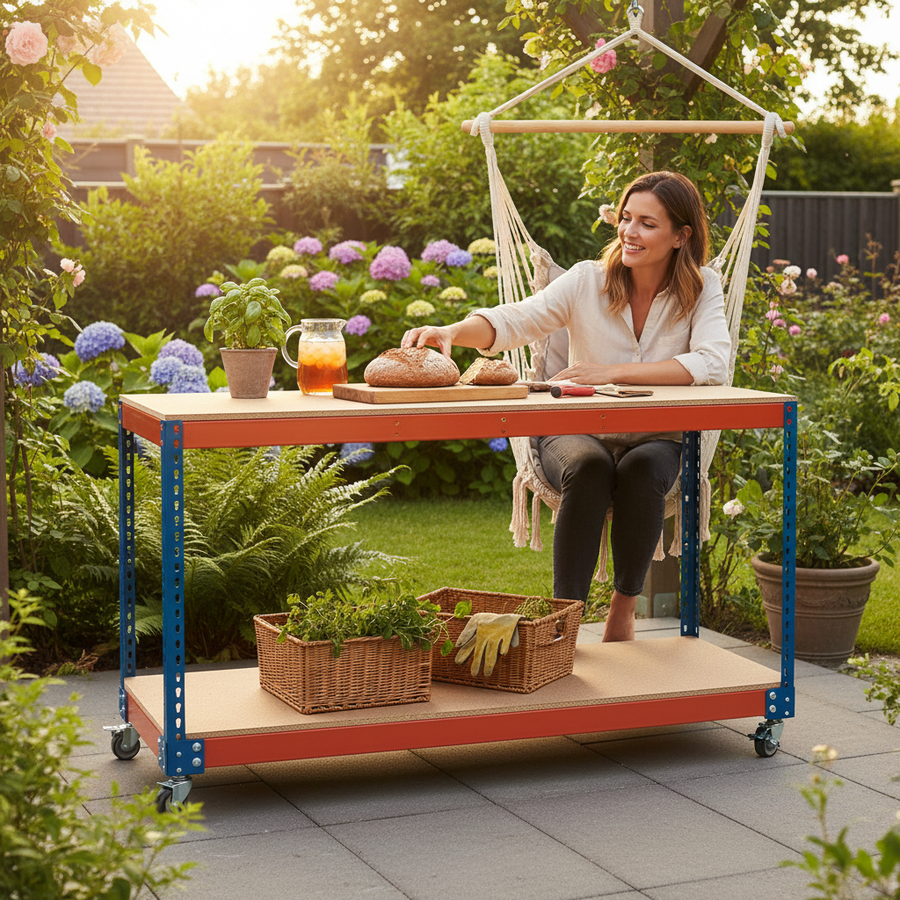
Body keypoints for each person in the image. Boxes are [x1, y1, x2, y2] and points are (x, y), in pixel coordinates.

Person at [401, 171, 731, 641]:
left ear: (681, 236)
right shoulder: (587, 281)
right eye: (625, 219)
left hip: (659, 435)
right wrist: (453, 331)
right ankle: (566, 620)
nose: (629, 232)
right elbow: (517, 318)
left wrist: (610, 372)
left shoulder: (703, 288)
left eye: (647, 224)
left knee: (642, 470)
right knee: (590, 467)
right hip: (579, 429)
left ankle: (622, 607)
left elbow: (713, 361)